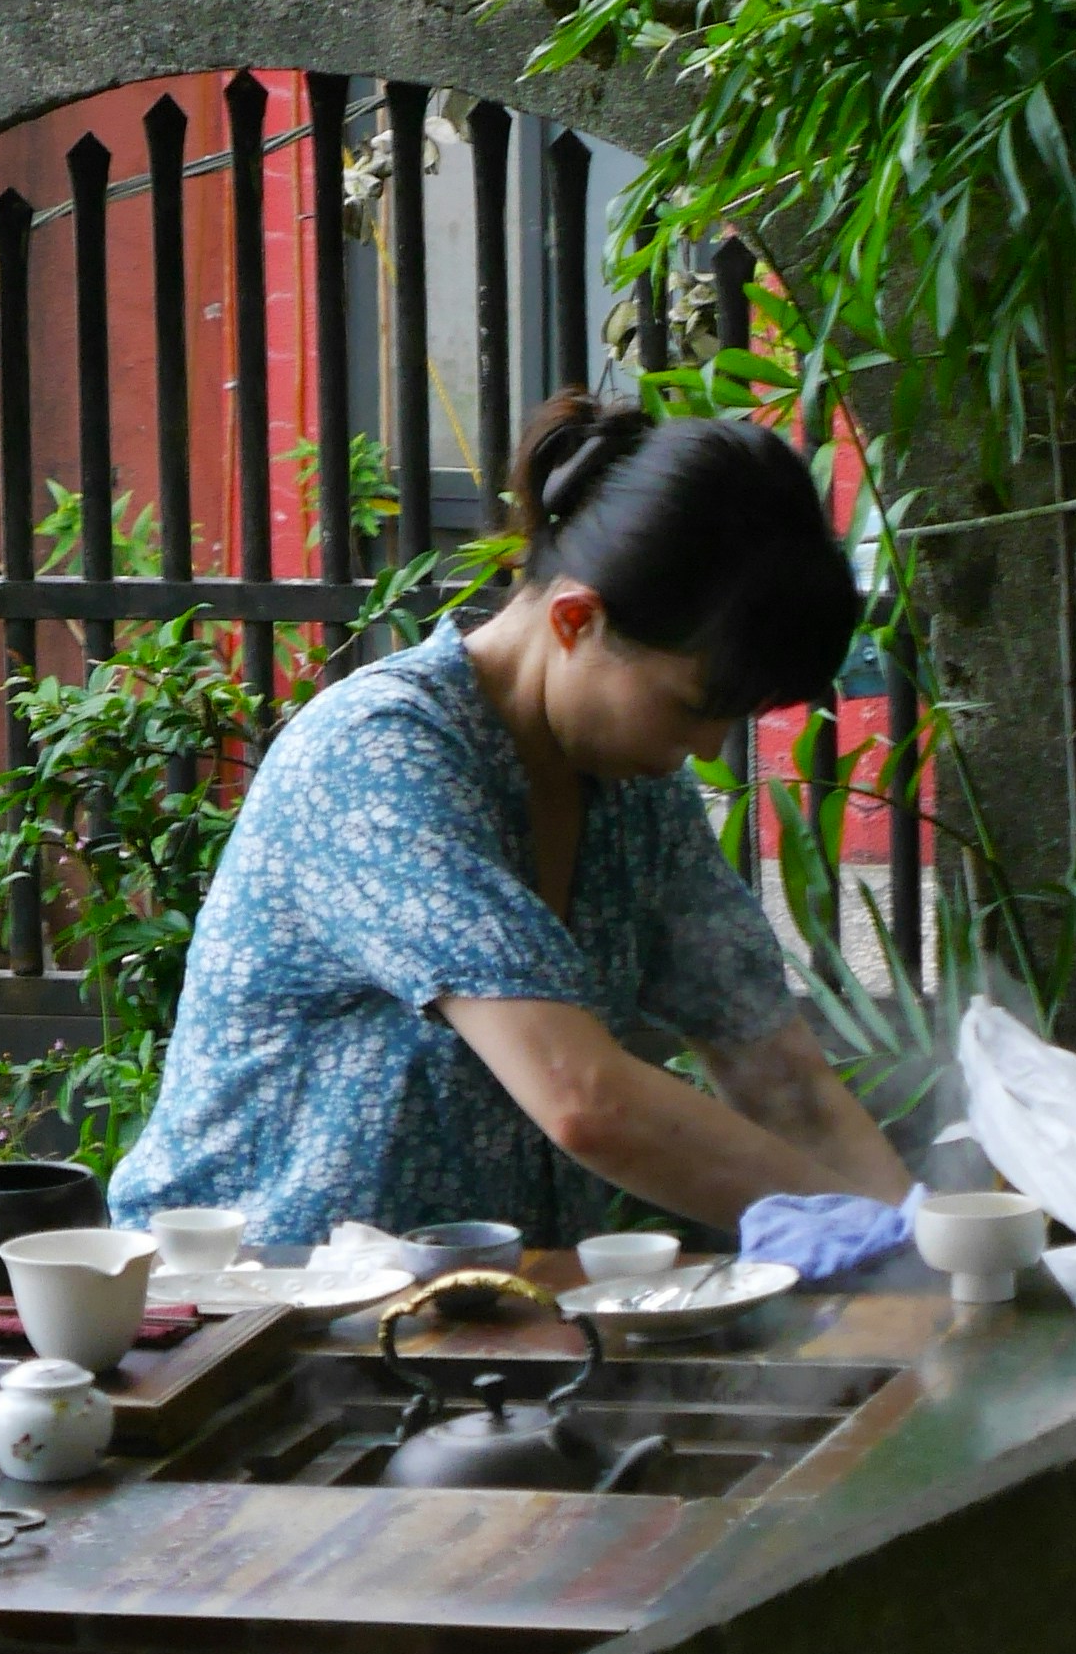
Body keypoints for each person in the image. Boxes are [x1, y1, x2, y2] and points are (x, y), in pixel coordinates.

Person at [109, 393, 911, 1254]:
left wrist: (930, 1246)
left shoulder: (635, 794)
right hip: (253, 1302)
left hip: (479, 1307)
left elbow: (783, 1078)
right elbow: (585, 1100)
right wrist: (870, 1230)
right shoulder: (378, 755)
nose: (709, 748)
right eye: (692, 707)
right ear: (576, 619)